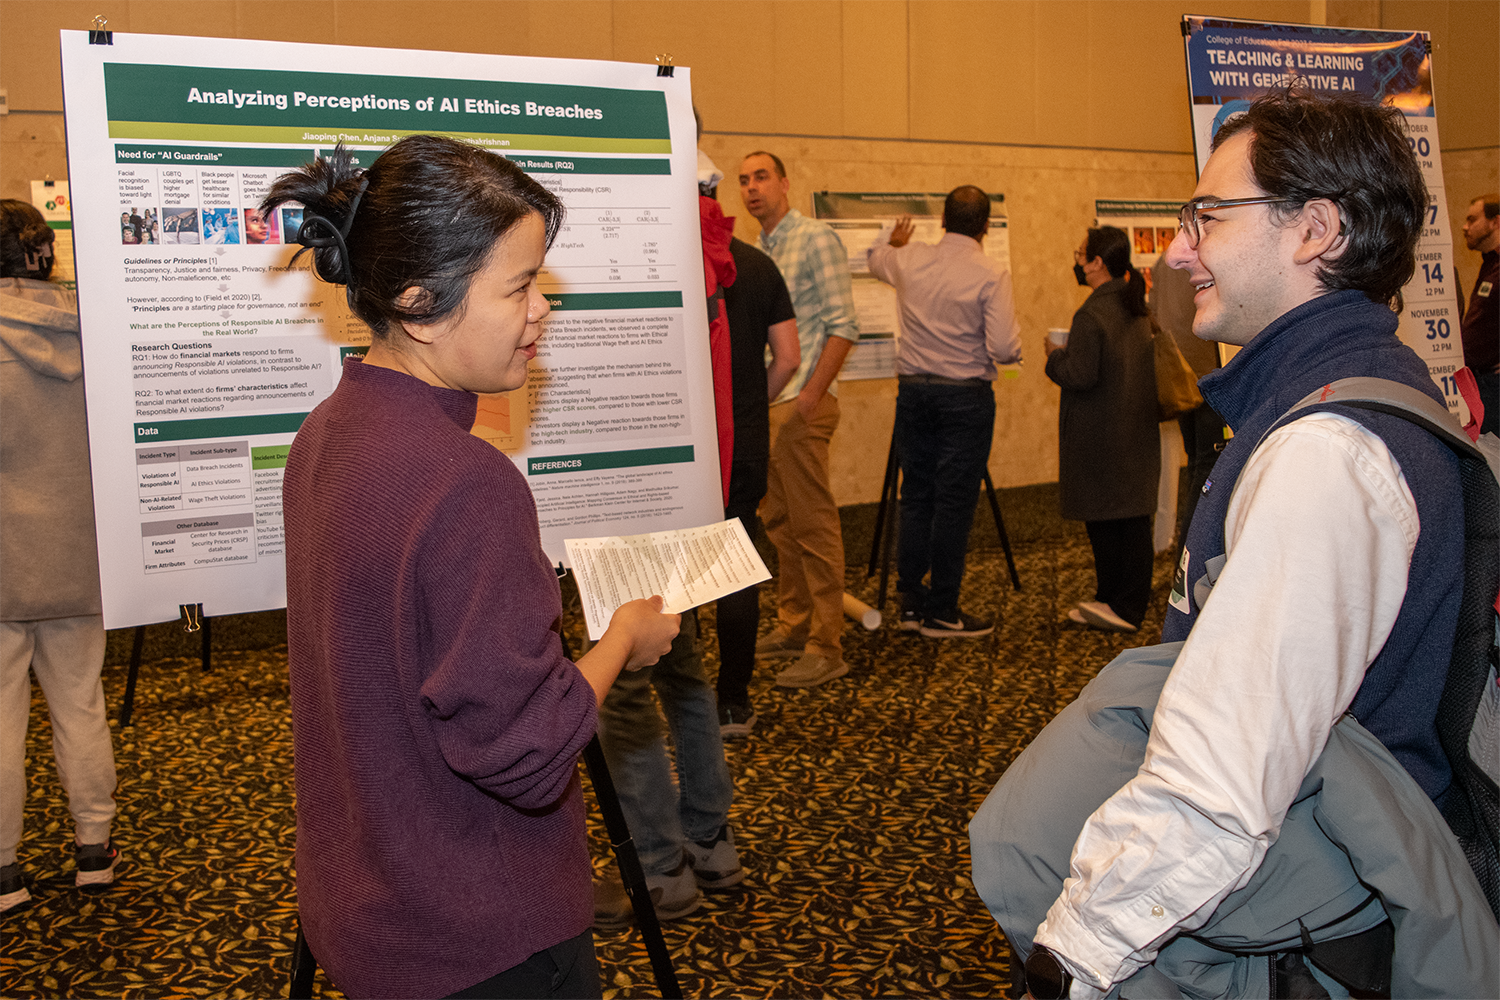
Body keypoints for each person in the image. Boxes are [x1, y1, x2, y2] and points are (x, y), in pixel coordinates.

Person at [972, 88, 1492, 999]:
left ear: (1316, 229)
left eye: (1206, 217)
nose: (1178, 250)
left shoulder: (1327, 452)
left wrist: (1075, 958)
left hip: (1297, 925)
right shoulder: (1349, 394)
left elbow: (1222, 776)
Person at [268, 138, 679, 1000]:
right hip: (483, 938)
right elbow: (526, 756)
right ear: (420, 304)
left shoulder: (324, 435)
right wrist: (621, 641)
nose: (541, 312)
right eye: (520, 286)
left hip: (370, 905)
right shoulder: (464, 482)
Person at [0, 200, 120, 916]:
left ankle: (5, 873)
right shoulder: (91, 328)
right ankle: (94, 851)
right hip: (81, 552)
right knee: (81, 702)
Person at [866, 186, 1022, 638]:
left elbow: (876, 257)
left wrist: (894, 243)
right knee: (954, 502)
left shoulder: (908, 258)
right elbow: (1004, 347)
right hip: (965, 400)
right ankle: (943, 610)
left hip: (913, 395)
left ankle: (910, 604)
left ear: (942, 221)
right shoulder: (991, 273)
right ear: (986, 226)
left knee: (915, 495)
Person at [738, 150, 860, 688]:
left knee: (812, 526)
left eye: (761, 177)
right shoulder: (762, 248)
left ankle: (826, 645)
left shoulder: (815, 239)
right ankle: (794, 624)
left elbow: (844, 325)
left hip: (801, 404)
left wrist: (810, 396)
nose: (751, 188)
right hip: (773, 404)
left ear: (785, 184)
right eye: (743, 181)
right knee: (780, 523)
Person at [1044, 226, 1159, 633]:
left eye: (1080, 254)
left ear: (1096, 263)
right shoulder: (1134, 307)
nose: (1076, 261)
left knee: (1110, 523)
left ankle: (1123, 606)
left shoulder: (1091, 314)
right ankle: (1113, 600)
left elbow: (1080, 373)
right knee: (1129, 520)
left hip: (1101, 435)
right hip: (1134, 431)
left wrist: (1054, 357)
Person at [1151, 251, 1225, 548]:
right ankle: (1191, 547)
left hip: (1180, 376)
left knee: (1196, 460)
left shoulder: (1163, 262)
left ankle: (1186, 548)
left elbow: (1154, 315)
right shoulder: (1211, 257)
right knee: (1207, 464)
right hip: (1210, 373)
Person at [1460, 194, 1500, 434]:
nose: (1465, 227)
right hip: (1480, 383)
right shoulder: (1489, 263)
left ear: (1495, 222)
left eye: (1472, 219)